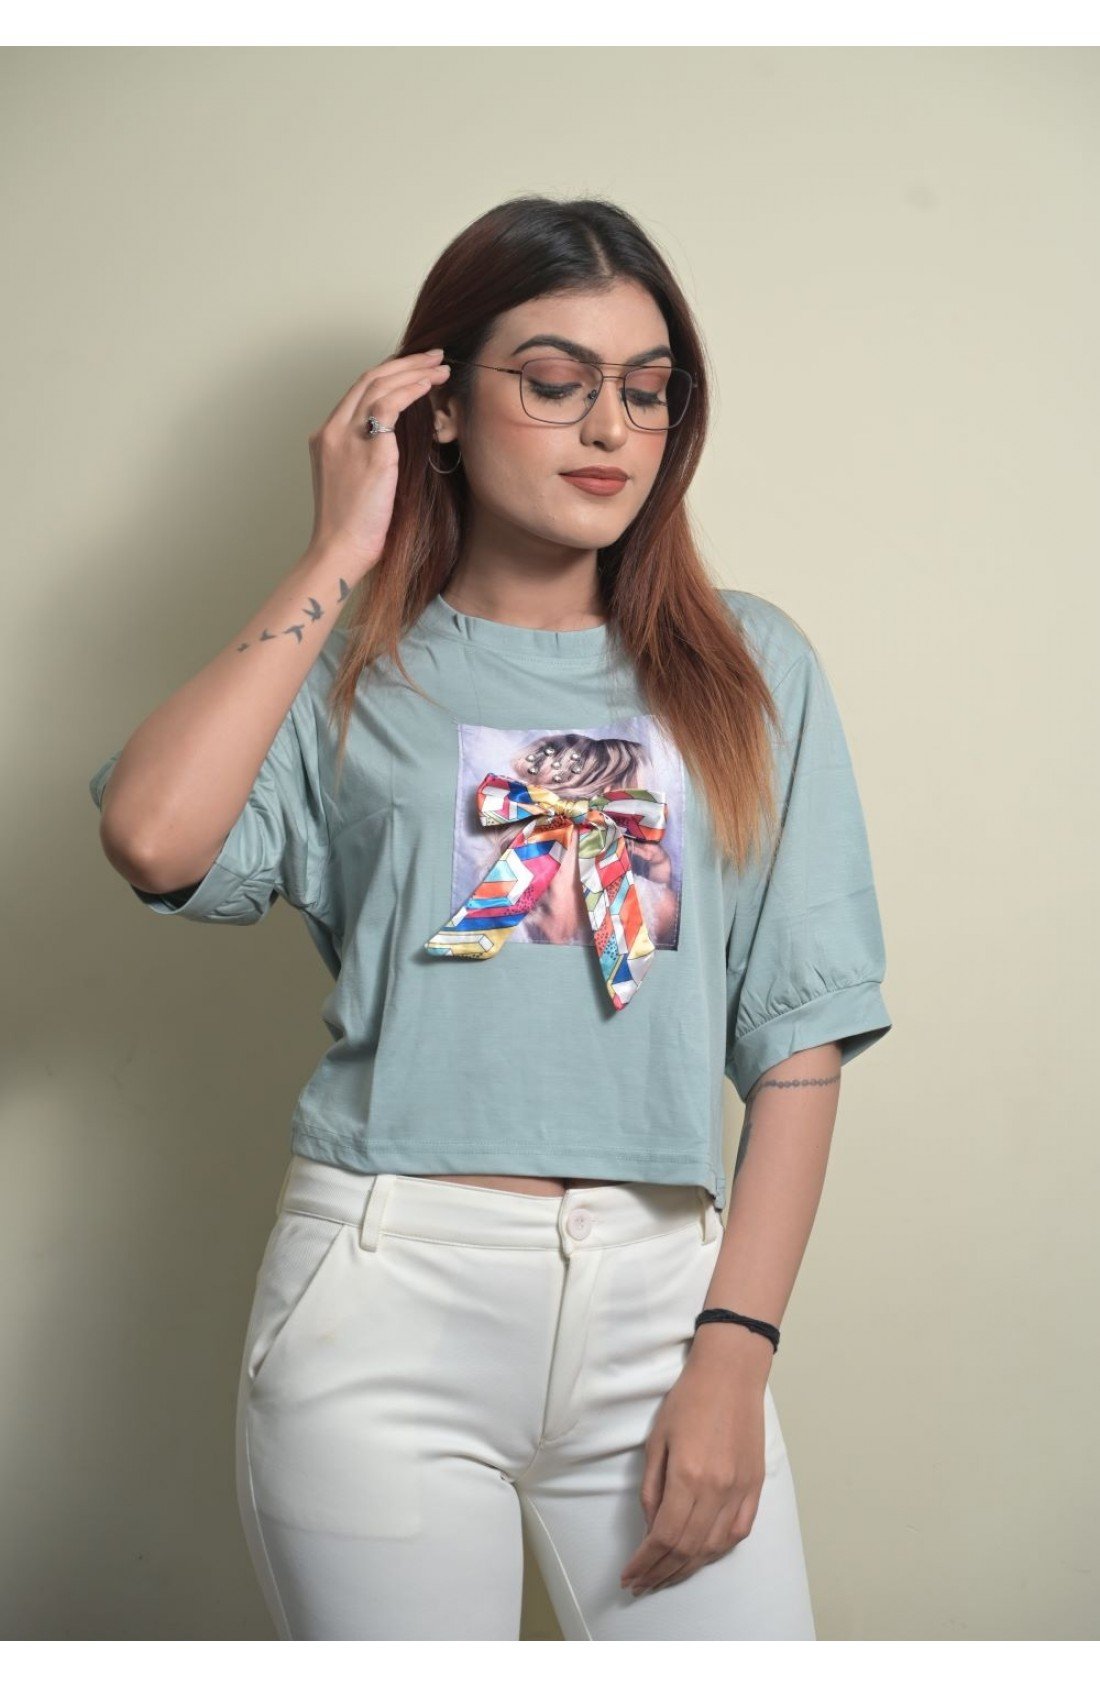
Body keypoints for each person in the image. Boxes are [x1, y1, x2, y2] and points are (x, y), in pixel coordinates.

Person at [89, 195, 892, 1641]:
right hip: (383, 1289)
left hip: (665, 1300)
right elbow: (152, 836)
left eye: (647, 389)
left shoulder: (752, 666)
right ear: (442, 405)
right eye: (556, 380)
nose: (610, 428)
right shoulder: (344, 669)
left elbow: (798, 1041)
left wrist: (736, 1347)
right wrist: (337, 552)